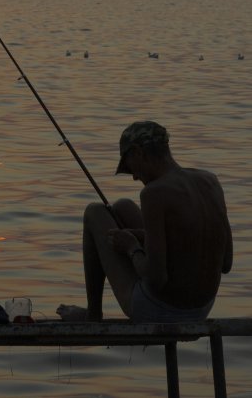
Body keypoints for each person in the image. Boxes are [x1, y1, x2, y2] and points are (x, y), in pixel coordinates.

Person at [57, 121, 233, 322]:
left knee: (94, 212)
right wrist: (144, 237)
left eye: (129, 166)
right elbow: (226, 263)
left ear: (139, 153)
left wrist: (132, 248)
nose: (133, 177)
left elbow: (156, 279)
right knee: (123, 206)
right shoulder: (210, 181)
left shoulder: (154, 193)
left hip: (162, 311)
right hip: (201, 309)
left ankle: (93, 314)